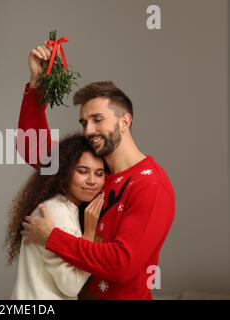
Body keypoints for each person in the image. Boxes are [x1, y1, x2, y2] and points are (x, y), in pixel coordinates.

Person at [18, 42, 176, 300]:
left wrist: (52, 237)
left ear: (125, 121)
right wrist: (37, 86)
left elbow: (121, 263)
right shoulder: (94, 171)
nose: (88, 130)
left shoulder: (151, 185)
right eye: (84, 122)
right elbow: (32, 148)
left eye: (97, 119)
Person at [6, 133, 105, 299]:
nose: (92, 181)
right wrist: (90, 235)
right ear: (64, 173)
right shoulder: (57, 213)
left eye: (99, 173)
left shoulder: (61, 208)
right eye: (82, 171)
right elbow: (71, 286)